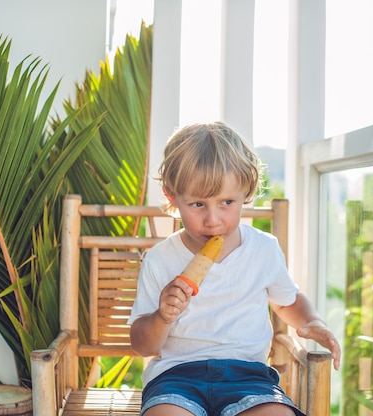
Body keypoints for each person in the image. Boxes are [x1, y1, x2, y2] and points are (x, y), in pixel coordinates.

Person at [128, 122, 341, 416]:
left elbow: (287, 301)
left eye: (226, 202)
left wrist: (313, 321)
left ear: (247, 193)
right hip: (175, 379)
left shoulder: (264, 249)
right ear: (172, 197)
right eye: (198, 204)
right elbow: (142, 345)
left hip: (250, 379)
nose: (213, 219)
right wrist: (162, 317)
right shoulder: (159, 259)